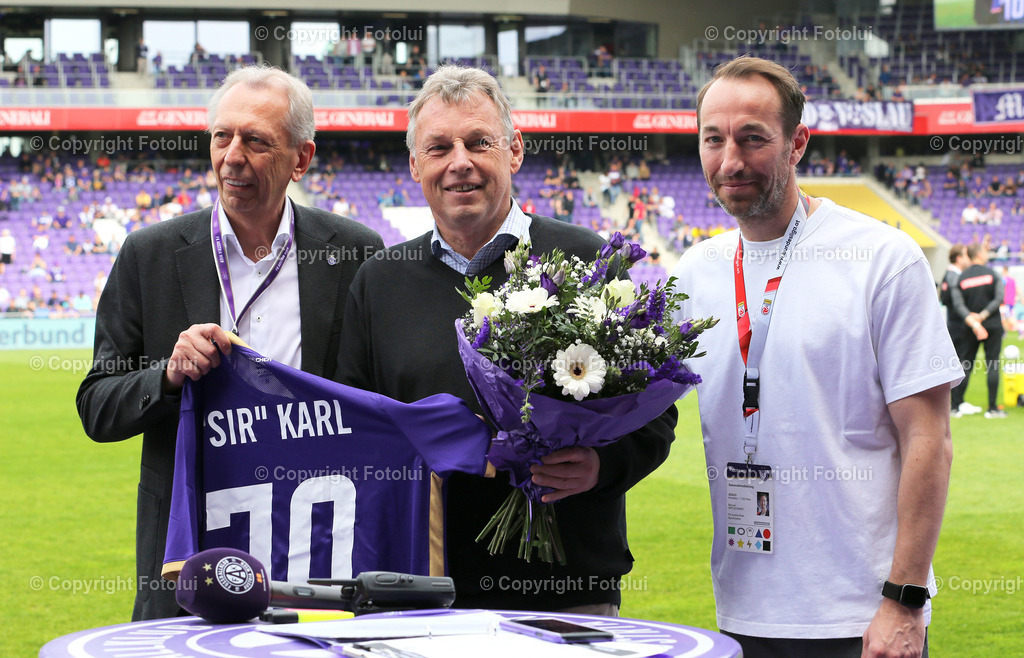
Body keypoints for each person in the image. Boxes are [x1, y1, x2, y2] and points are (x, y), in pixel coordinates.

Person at [337, 64, 676, 615]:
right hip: (422, 589)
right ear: (415, 164)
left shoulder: (586, 258)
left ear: (514, 151)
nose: (460, 162)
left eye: (479, 142)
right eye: (439, 147)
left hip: (569, 592)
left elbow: (656, 412)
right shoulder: (378, 282)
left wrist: (601, 465)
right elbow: (354, 427)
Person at [670, 56, 960, 657]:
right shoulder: (695, 272)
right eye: (713, 139)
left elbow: (928, 437)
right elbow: (639, 414)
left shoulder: (883, 259)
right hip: (744, 608)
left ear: (798, 142)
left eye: (753, 139)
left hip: (864, 616)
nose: (730, 161)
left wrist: (904, 599)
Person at [75, 65, 384, 622]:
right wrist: (167, 376)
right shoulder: (148, 255)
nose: (232, 157)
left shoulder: (355, 252)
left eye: (256, 141)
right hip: (189, 558)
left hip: (318, 550)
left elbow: (377, 403)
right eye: (222, 136)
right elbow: (97, 406)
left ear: (301, 159)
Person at [950, 242, 1006, 419]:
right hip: (992, 324)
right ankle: (992, 408)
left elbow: (958, 304)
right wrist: (983, 316)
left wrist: (973, 320)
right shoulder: (992, 274)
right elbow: (999, 298)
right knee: (993, 364)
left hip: (969, 327)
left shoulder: (962, 277)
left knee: (965, 364)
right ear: (980, 254)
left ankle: (955, 406)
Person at [940, 244, 981, 416]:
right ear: (958, 258)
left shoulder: (949, 275)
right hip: (960, 327)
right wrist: (970, 315)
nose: (968, 259)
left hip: (954, 326)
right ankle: (956, 404)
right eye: (965, 255)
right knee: (962, 363)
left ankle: (958, 402)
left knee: (960, 363)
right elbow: (956, 304)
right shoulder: (954, 277)